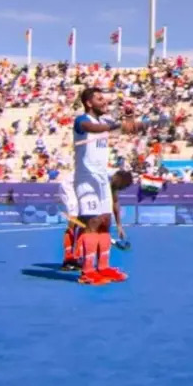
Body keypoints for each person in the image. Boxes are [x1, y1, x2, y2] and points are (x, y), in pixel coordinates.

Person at [72, 88, 141, 284]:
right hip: (87, 179)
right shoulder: (81, 120)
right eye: (100, 99)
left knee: (104, 223)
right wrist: (113, 126)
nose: (105, 102)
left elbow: (129, 128)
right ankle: (87, 272)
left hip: (102, 178)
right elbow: (92, 129)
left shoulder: (105, 122)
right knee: (92, 223)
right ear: (89, 103)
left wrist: (130, 117)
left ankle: (103, 267)